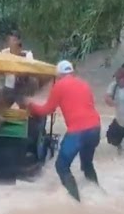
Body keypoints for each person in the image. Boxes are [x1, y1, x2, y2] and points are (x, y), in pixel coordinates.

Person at [25, 60, 102, 202]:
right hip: (95, 128)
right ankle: (99, 193)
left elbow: (46, 110)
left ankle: (76, 202)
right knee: (87, 163)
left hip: (78, 131)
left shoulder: (59, 85)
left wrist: (30, 106)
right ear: (72, 72)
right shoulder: (84, 84)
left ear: (59, 75)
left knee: (61, 165)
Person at [0, 30, 35, 107]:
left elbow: (31, 70)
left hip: (23, 87)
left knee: (26, 108)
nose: (12, 43)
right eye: (10, 40)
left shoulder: (27, 55)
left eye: (14, 40)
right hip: (8, 86)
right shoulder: (4, 53)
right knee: (1, 107)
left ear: (19, 42)